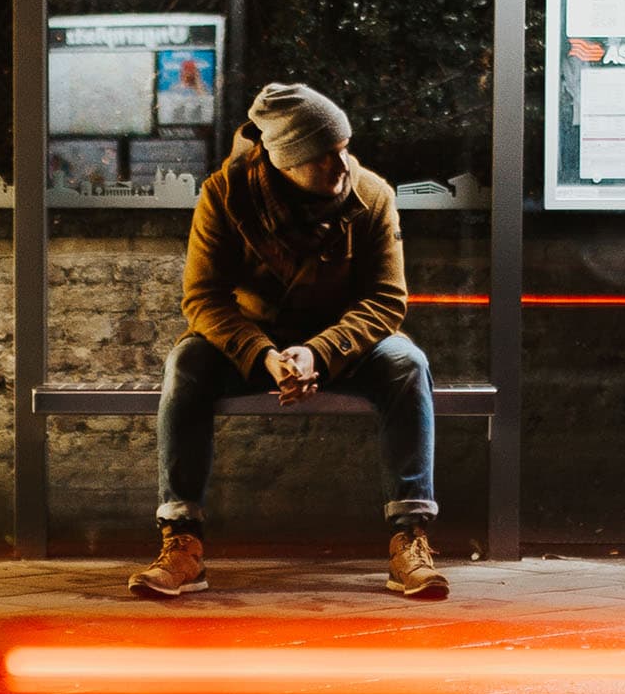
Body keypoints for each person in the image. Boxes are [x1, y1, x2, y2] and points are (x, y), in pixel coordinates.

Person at [130, 83, 445, 599]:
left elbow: (387, 301)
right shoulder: (224, 196)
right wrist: (264, 355)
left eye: (344, 147)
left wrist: (317, 350)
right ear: (286, 162)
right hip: (253, 345)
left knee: (406, 362)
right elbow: (204, 299)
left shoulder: (372, 195)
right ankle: (181, 540)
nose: (343, 165)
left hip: (343, 346)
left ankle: (410, 537)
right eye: (325, 156)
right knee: (187, 361)